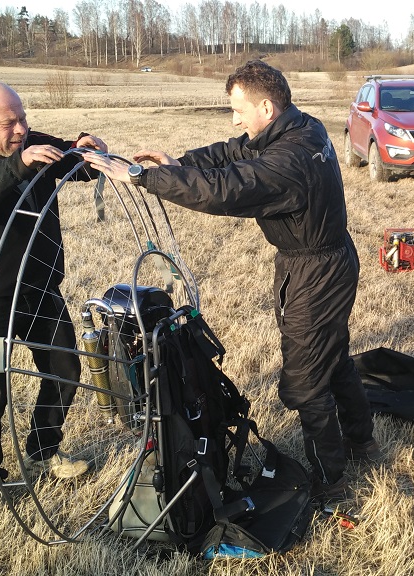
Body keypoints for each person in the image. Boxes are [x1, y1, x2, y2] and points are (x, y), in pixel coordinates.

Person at [84, 60, 381, 500]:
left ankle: (331, 481)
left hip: (316, 273)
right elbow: (232, 153)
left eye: (240, 110)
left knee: (305, 380)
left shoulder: (289, 161)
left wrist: (144, 176)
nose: (235, 119)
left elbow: (226, 189)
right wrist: (178, 164)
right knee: (332, 355)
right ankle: (363, 441)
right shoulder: (302, 127)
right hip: (325, 261)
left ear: (266, 106)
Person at [0, 81, 107, 503]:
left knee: (65, 372)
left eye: (23, 118)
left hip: (40, 290)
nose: (21, 129)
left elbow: (77, 163)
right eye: (8, 123)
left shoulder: (34, 146)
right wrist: (17, 167)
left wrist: (86, 148)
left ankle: (44, 453)